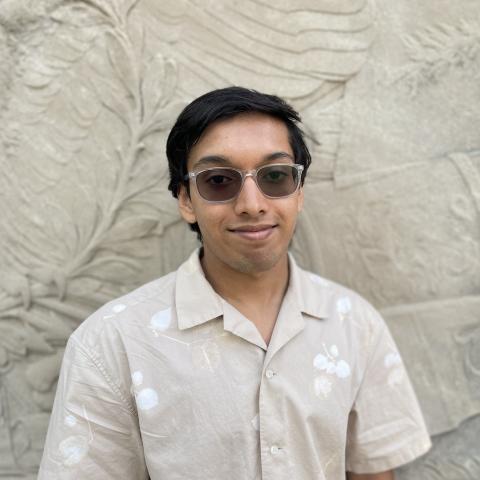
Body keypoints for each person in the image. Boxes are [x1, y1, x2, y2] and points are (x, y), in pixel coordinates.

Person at [38, 87, 431, 479]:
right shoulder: (112, 343)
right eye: (219, 180)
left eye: (275, 176)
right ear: (186, 200)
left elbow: (373, 471)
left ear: (299, 193)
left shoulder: (354, 325)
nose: (252, 204)